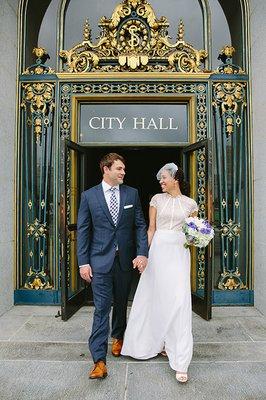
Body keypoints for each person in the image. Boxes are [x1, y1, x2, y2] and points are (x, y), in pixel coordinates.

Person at [121, 163, 198, 383]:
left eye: (164, 178)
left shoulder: (191, 204)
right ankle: (154, 343)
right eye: (160, 179)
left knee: (179, 300)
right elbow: (151, 229)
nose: (161, 182)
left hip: (179, 254)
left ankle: (180, 360)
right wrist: (144, 254)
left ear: (176, 179)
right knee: (154, 297)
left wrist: (199, 237)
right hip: (158, 252)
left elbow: (191, 233)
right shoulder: (156, 199)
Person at [77, 153, 148, 379]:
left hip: (125, 261)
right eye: (119, 168)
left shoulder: (132, 193)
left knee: (120, 303)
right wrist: (83, 262)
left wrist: (142, 253)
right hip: (99, 261)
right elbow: (84, 231)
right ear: (105, 169)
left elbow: (140, 225)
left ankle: (118, 337)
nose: (123, 172)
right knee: (101, 308)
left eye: (124, 169)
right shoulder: (89, 196)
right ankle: (99, 360)